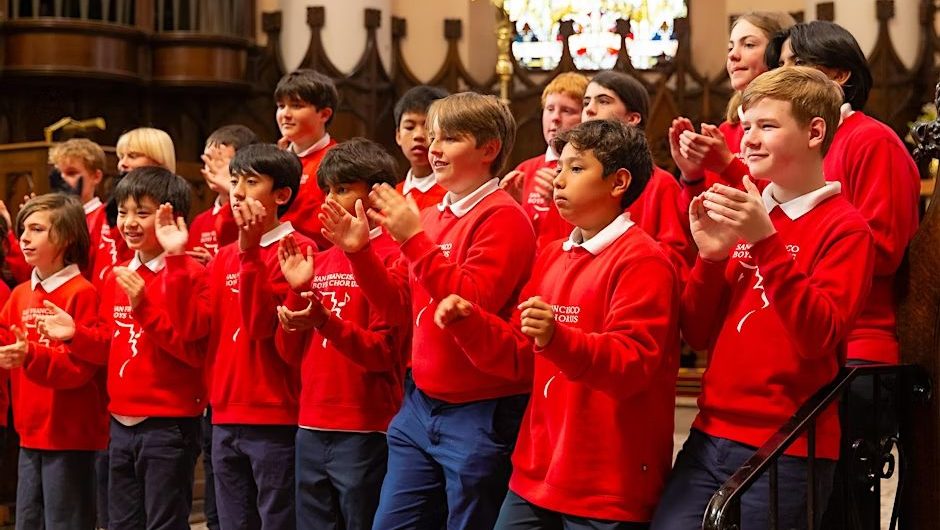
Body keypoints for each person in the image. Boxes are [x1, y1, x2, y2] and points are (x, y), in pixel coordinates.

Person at [651, 66, 876, 530]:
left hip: (788, 442)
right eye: (747, 126)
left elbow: (818, 337)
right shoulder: (745, 209)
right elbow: (695, 331)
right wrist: (710, 260)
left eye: (767, 126)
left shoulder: (845, 228)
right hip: (709, 430)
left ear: (815, 132)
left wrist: (766, 242)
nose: (749, 139)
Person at [435, 119, 679, 529]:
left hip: (607, 481)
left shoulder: (644, 260)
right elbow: (518, 355)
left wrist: (558, 338)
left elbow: (632, 366)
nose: (558, 180)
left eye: (576, 169)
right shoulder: (552, 254)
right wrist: (470, 324)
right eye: (560, 167)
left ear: (619, 182)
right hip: (538, 471)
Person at [319, 92, 535, 529]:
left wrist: (413, 240)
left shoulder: (503, 217)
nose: (433, 148)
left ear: (488, 149)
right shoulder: (432, 216)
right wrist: (360, 254)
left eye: (450, 138)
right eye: (432, 136)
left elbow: (470, 304)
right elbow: (398, 305)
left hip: (478, 409)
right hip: (419, 402)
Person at [769, 21, 922, 529]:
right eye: (781, 64)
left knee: (845, 505)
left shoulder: (870, 141)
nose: (781, 74)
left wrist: (794, 251)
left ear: (838, 76)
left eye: (795, 64)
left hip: (860, 347)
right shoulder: (809, 145)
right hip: (809, 341)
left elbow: (883, 249)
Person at [41, 168, 207, 530]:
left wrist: (143, 306)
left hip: (168, 425)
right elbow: (108, 348)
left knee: (164, 523)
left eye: (142, 213)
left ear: (171, 218)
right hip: (119, 423)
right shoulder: (116, 274)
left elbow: (192, 351)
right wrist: (75, 335)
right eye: (124, 212)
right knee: (119, 523)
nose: (129, 223)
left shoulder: (189, 273)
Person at [159, 144, 314, 530]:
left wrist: (250, 256)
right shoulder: (225, 256)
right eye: (234, 182)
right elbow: (193, 328)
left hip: (275, 416)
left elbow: (261, 328)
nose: (239, 192)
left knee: (276, 522)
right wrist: (176, 261)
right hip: (224, 415)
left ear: (281, 194)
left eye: (251, 181)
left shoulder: (300, 250)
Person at [274, 138, 409, 530]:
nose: (330, 200)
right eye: (328, 190)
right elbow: (288, 351)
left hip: (365, 427)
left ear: (378, 196)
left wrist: (325, 322)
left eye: (344, 189)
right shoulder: (319, 258)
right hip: (311, 423)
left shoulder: (393, 257)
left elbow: (384, 353)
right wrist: (298, 290)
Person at [2, 194, 106, 530]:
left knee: (66, 522)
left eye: (37, 229)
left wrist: (31, 354)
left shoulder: (81, 292)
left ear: (66, 238)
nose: (25, 238)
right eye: (23, 230)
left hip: (68, 435)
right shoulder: (19, 294)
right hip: (29, 433)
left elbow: (78, 371)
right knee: (28, 521)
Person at [581, 71, 694, 281]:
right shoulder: (576, 180)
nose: (589, 109)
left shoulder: (661, 184)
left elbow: (676, 260)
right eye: (586, 102)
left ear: (632, 118)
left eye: (603, 101)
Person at [501, 72, 589, 249]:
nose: (555, 118)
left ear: (586, 117)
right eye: (549, 109)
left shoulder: (589, 170)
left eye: (567, 110)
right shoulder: (526, 169)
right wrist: (510, 207)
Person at [276, 69, 339, 248]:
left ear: (324, 114)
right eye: (281, 106)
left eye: (296, 106)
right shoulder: (275, 159)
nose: (285, 114)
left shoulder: (338, 161)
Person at [394, 85, 450, 210]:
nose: (418, 135)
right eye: (409, 127)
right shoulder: (392, 196)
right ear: (398, 136)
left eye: (428, 126)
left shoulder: (454, 194)